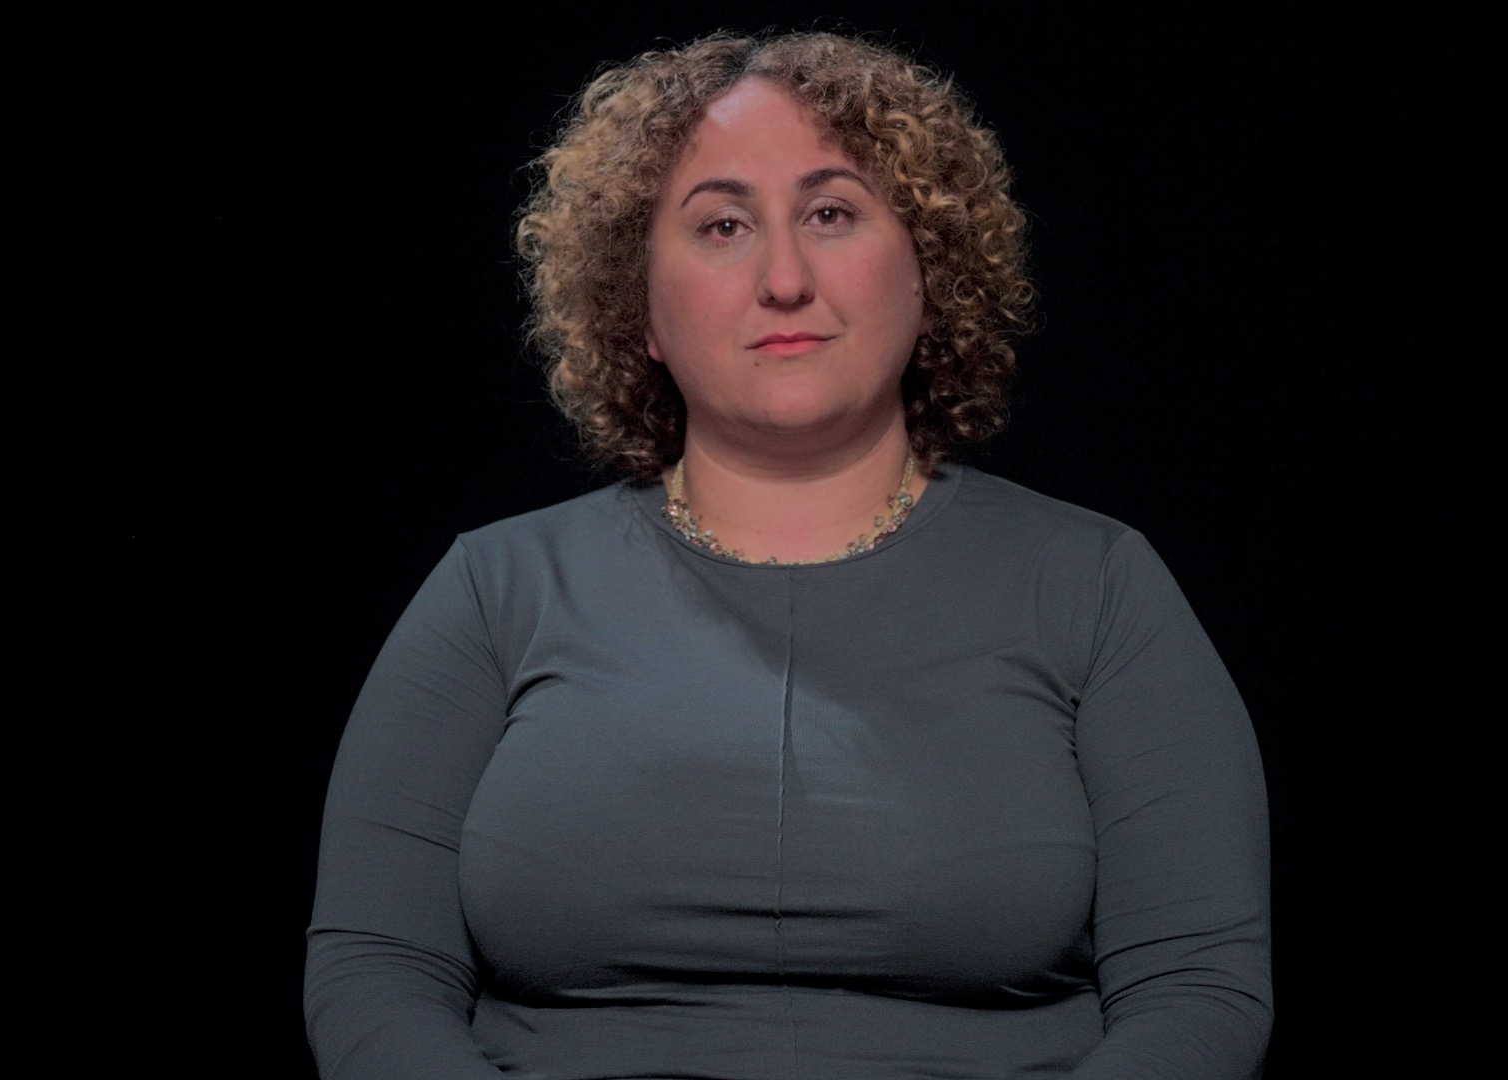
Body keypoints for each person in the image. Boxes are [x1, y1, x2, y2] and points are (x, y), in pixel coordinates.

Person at [305, 30, 1271, 1079]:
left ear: (930, 270)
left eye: (831, 214)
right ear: (640, 307)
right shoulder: (494, 593)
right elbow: (375, 976)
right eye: (722, 225)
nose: (783, 278)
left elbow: (1196, 993)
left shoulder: (1097, 586)